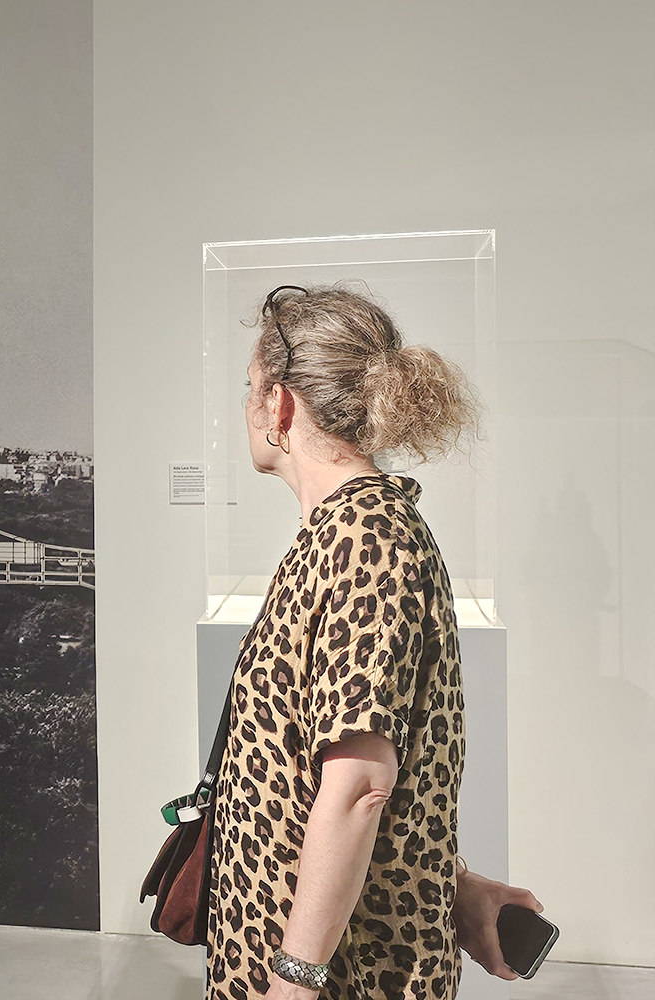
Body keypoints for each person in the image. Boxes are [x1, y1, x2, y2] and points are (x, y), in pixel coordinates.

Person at [205, 285, 543, 999]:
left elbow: (361, 786)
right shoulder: (350, 534)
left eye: (249, 388)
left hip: (339, 972)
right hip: (313, 948)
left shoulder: (369, 541)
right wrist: (456, 885)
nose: (246, 407)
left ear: (280, 405)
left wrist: (294, 977)